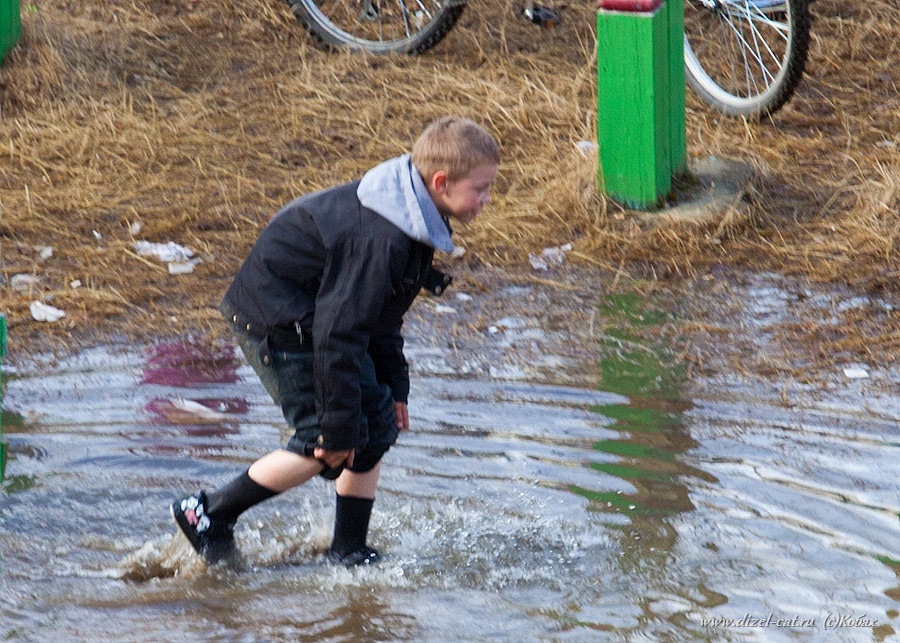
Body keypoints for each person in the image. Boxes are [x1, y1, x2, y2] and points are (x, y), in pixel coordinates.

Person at [171, 117, 500, 566]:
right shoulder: (382, 236)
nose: (487, 200)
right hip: (280, 324)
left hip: (317, 320)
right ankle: (207, 513)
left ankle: (347, 549)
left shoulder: (413, 214)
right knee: (324, 440)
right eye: (481, 189)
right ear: (441, 182)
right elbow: (339, 334)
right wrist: (337, 427)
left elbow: (381, 316)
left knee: (377, 426)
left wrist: (394, 385)